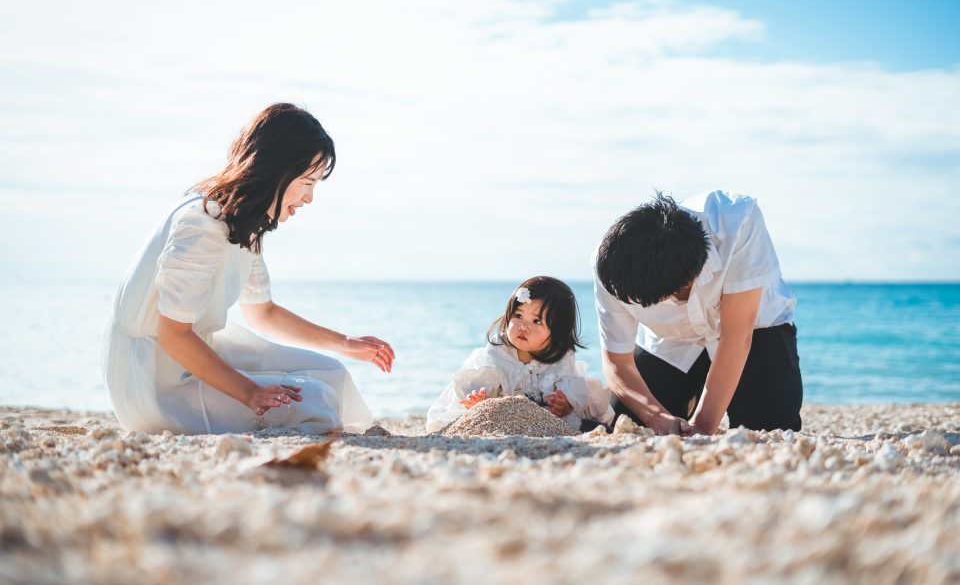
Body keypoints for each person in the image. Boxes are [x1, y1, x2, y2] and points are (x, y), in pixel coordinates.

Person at [102, 103, 395, 435]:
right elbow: (174, 335)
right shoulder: (201, 224)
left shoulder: (244, 223)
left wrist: (344, 342)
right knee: (316, 401)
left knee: (334, 374)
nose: (309, 198)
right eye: (306, 182)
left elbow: (263, 312)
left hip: (195, 348)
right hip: (153, 377)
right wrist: (249, 393)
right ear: (276, 169)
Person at [593, 190, 800, 436]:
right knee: (627, 424)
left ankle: (698, 393)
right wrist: (657, 417)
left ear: (686, 282)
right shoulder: (611, 266)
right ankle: (687, 392)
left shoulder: (737, 220)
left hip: (756, 330)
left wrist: (701, 428)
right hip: (671, 342)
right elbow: (618, 363)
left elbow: (736, 336)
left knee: (768, 428)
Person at [426, 277, 614, 432]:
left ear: (557, 332)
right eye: (518, 316)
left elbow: (572, 387)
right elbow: (477, 382)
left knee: (586, 426)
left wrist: (565, 404)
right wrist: (478, 400)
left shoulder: (561, 358)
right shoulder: (498, 354)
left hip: (545, 421)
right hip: (502, 419)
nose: (524, 326)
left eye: (536, 321)